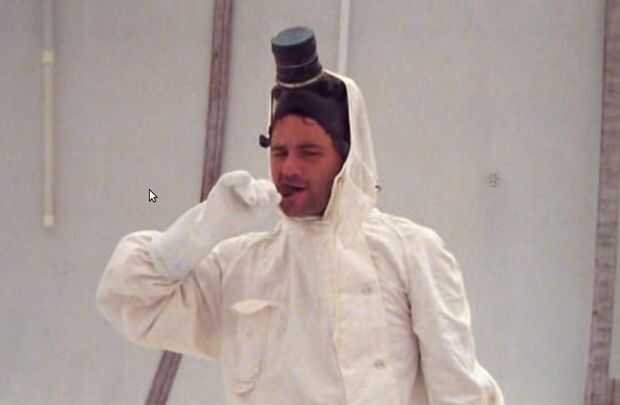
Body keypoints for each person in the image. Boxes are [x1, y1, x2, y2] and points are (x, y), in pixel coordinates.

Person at [97, 27, 504, 405]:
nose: (288, 168)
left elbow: (461, 393)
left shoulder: (412, 254)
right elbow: (128, 299)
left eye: (309, 152)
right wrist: (203, 230)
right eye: (279, 152)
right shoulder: (239, 268)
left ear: (346, 160)